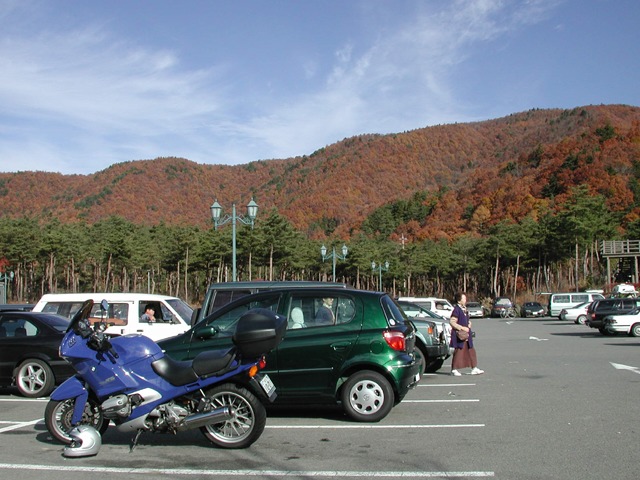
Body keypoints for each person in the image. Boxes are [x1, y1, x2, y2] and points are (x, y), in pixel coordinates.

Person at [449, 292, 484, 376]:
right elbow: (452, 322)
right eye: (464, 298)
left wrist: (469, 324)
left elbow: (466, 319)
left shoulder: (464, 308)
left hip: (467, 335)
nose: (465, 300)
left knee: (471, 350)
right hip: (460, 335)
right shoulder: (456, 309)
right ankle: (454, 369)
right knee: (459, 351)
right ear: (459, 300)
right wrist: (462, 327)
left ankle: (474, 368)